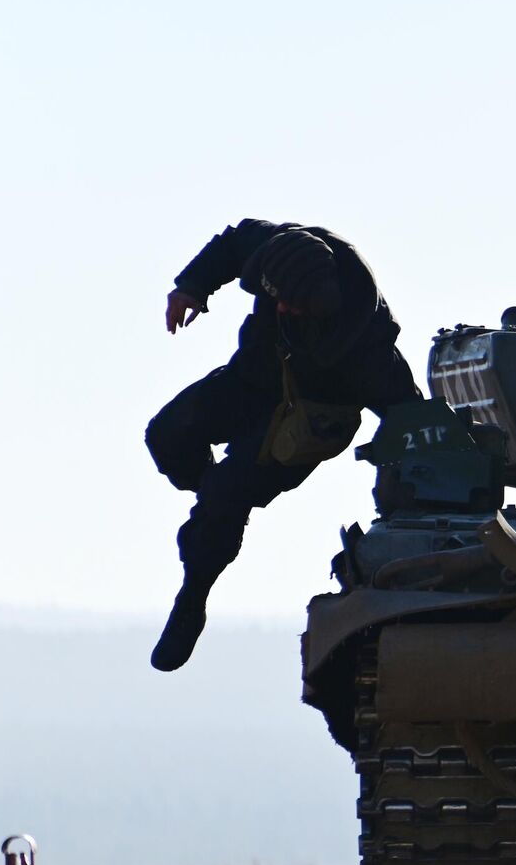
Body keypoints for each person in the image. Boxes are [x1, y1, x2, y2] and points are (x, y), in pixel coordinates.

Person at [146, 220, 420, 671]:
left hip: (309, 419)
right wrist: (191, 287)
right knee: (167, 435)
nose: (284, 311)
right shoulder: (275, 245)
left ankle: (194, 592)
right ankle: (214, 515)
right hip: (253, 378)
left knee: (226, 496)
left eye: (293, 306)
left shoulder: (368, 350)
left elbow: (410, 416)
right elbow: (230, 245)